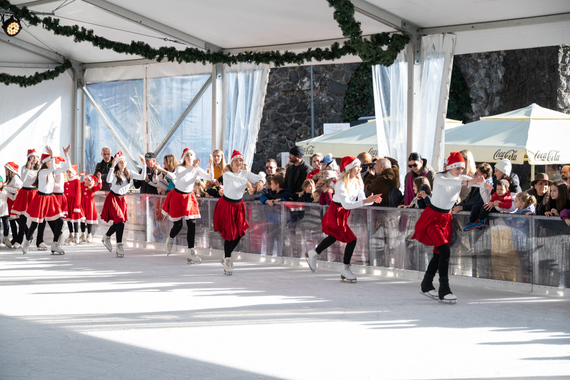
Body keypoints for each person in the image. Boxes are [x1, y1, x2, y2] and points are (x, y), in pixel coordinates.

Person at [412, 152, 483, 303]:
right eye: (457, 167)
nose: (460, 171)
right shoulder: (440, 177)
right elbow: (454, 183)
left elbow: (473, 182)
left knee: (439, 253)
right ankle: (444, 289)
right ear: (450, 167)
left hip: (446, 218)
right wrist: (471, 182)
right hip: (433, 217)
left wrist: (484, 183)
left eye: (462, 168)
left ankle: (426, 283)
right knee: (444, 250)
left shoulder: (461, 178)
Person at [305, 156, 382, 282]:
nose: (359, 170)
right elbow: (347, 204)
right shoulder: (341, 183)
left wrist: (371, 201)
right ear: (349, 168)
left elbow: (361, 200)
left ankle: (314, 253)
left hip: (344, 214)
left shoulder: (357, 182)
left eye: (359, 167)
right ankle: (345, 269)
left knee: (333, 237)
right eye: (357, 167)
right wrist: (365, 201)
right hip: (335, 212)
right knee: (351, 240)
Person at [213, 150, 265, 275]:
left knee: (240, 233)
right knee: (230, 233)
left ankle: (226, 256)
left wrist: (260, 181)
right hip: (227, 205)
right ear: (231, 162)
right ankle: (228, 259)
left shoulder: (244, 173)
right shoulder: (227, 174)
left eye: (240, 160)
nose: (238, 162)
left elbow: (261, 174)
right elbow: (236, 179)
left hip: (238, 206)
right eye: (236, 160)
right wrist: (247, 182)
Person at [161, 148, 213, 263]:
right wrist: (192, 167)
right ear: (184, 157)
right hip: (178, 197)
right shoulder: (180, 168)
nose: (190, 156)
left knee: (192, 224)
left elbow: (210, 178)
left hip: (189, 197)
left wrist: (211, 165)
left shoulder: (196, 169)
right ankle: (170, 239)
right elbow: (180, 175)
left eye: (191, 154)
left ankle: (191, 252)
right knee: (178, 225)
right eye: (187, 155)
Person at [22, 145, 71, 255]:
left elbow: (67, 167)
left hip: (50, 199)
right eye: (50, 160)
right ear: (46, 162)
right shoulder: (42, 172)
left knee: (60, 221)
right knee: (35, 224)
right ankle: (27, 241)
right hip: (41, 198)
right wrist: (52, 155)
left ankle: (55, 245)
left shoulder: (52, 172)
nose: (53, 162)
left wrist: (66, 154)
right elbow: (53, 168)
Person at [101, 151, 147, 258]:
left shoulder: (129, 173)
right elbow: (108, 180)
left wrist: (144, 163)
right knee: (120, 221)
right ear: (117, 163)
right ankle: (119, 245)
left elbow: (142, 177)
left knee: (120, 222)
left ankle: (107, 236)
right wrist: (112, 166)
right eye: (120, 161)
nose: (123, 162)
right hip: (113, 198)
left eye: (124, 161)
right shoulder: (114, 172)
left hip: (122, 199)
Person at [10, 149, 41, 248]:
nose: (34, 159)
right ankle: (19, 240)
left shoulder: (39, 168)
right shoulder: (24, 168)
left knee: (35, 218)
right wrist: (28, 167)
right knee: (22, 219)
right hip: (25, 193)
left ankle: (32, 237)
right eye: (32, 157)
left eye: (36, 157)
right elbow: (22, 179)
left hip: (35, 193)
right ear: (29, 158)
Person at [79, 173, 102, 243]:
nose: (86, 181)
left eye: (88, 180)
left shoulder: (92, 187)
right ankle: (82, 234)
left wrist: (99, 179)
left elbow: (99, 187)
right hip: (82, 204)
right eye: (85, 179)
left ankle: (89, 234)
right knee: (82, 220)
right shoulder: (82, 185)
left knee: (89, 220)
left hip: (90, 205)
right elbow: (77, 184)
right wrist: (79, 176)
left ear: (91, 182)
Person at [3, 162, 22, 248]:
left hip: (15, 201)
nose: (5, 171)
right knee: (12, 221)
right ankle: (15, 238)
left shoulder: (15, 178)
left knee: (18, 220)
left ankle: (26, 234)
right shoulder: (9, 178)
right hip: (10, 201)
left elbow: (17, 189)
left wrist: (5, 187)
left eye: (7, 170)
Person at [64, 165, 82, 245]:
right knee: (68, 219)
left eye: (69, 171)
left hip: (74, 202)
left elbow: (78, 193)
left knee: (75, 219)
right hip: (67, 202)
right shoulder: (66, 180)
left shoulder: (76, 181)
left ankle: (76, 235)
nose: (68, 173)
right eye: (67, 171)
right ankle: (71, 235)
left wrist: (77, 205)